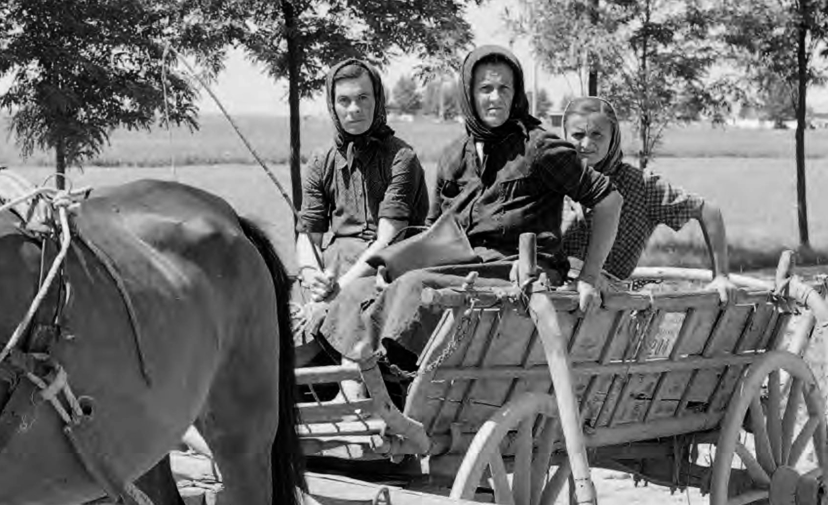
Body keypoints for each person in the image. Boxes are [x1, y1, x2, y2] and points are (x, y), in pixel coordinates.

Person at [321, 44, 622, 372]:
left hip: (518, 273)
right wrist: (394, 266)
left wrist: (589, 277)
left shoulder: (538, 148)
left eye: (504, 87)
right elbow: (431, 233)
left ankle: (400, 387)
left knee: (413, 287)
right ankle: (355, 394)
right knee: (359, 291)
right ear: (468, 94)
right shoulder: (454, 156)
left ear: (516, 92)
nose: (495, 97)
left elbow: (609, 199)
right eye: (485, 89)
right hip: (460, 267)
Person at [294, 56, 428, 334]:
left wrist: (341, 287)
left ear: (377, 100)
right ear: (333, 106)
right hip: (335, 270)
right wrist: (313, 275)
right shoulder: (321, 161)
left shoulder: (402, 158)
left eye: (363, 98)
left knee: (353, 351)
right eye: (344, 100)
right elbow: (309, 236)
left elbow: (387, 241)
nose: (354, 109)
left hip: (387, 273)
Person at [560, 97, 734, 302]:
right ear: (564, 137)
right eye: (578, 135)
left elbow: (709, 211)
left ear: (613, 137)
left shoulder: (640, 186)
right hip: (554, 288)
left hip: (608, 299)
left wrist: (721, 276)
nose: (587, 144)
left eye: (597, 135)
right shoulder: (554, 178)